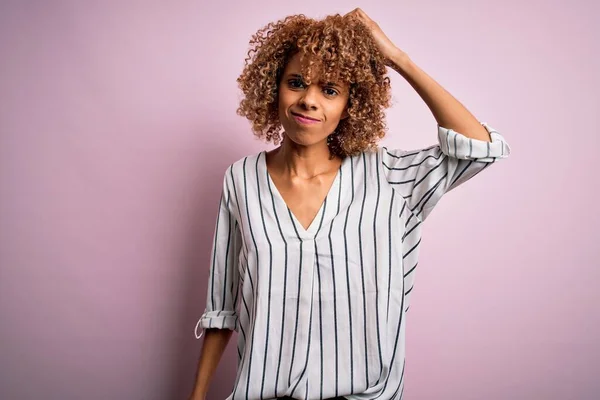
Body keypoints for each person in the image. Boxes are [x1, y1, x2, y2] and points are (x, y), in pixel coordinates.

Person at [189, 8, 510, 400]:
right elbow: (222, 306)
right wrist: (198, 395)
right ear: (273, 88)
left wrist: (397, 58)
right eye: (296, 83)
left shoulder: (388, 178)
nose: (308, 100)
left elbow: (479, 150)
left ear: (350, 105)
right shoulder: (241, 179)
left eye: (329, 90)